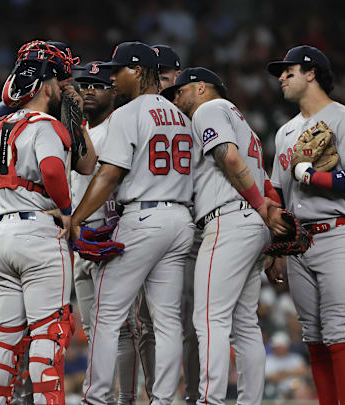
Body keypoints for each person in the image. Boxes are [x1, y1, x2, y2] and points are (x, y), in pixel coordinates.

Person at [0, 39, 94, 405]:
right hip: (38, 229)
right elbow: (54, 169)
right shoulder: (40, 122)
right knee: (48, 332)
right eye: (61, 78)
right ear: (47, 82)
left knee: (6, 333)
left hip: (7, 228)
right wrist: (68, 209)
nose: (66, 85)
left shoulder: (4, 123)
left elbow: (83, 162)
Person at [72, 41, 194, 405]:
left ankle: (97, 398)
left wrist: (76, 218)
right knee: (168, 320)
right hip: (180, 219)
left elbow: (109, 175)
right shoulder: (182, 117)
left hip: (143, 217)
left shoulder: (129, 113)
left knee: (107, 315)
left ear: (139, 71)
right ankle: (162, 399)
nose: (113, 77)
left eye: (119, 70)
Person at [164, 66, 282, 404]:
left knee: (208, 318)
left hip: (230, 220)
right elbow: (265, 181)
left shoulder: (209, 109)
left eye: (181, 91)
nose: (177, 98)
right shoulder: (241, 120)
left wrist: (260, 206)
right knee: (244, 323)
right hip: (251, 225)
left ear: (201, 87)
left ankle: (210, 400)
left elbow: (228, 157)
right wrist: (269, 233)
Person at [266, 45, 345, 405]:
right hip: (298, 242)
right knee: (312, 336)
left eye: (289, 71)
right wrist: (276, 250)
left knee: (337, 331)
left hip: (337, 233)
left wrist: (315, 177)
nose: (281, 77)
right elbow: (278, 194)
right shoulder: (284, 133)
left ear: (311, 73)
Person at [132, 44, 201, 404]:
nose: (159, 84)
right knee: (148, 324)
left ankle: (190, 396)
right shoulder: (139, 114)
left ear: (178, 77)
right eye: (152, 76)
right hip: (151, 222)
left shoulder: (197, 115)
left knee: (186, 322)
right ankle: (157, 396)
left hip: (189, 224)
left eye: (164, 77)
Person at [71, 61, 139, 405]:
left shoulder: (120, 125)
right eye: (84, 85)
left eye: (97, 85)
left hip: (108, 236)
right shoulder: (78, 129)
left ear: (114, 90)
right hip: (77, 237)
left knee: (120, 329)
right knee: (93, 328)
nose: (89, 91)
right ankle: (104, 398)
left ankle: (125, 398)